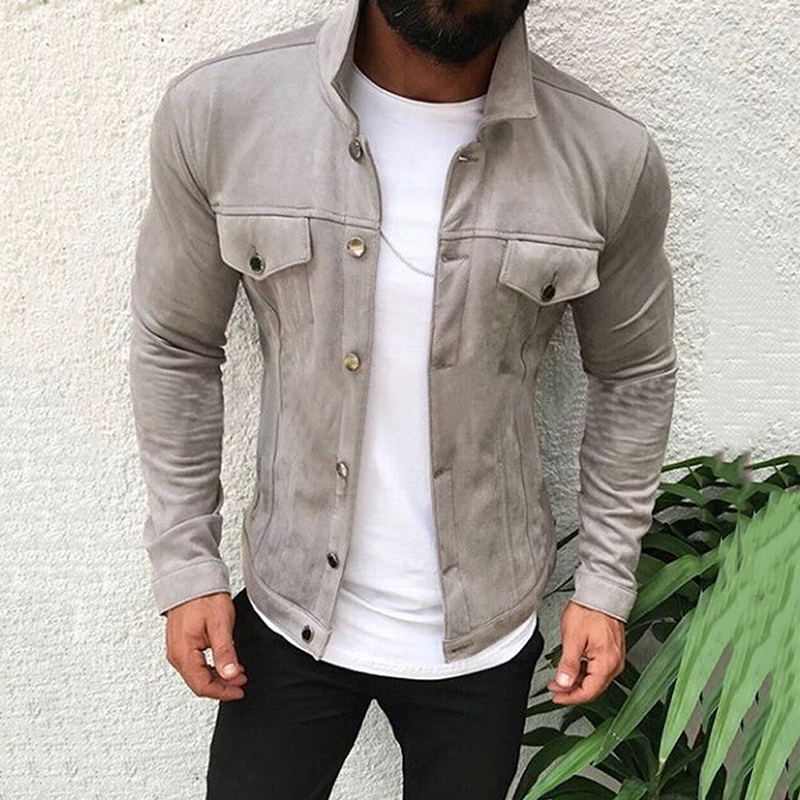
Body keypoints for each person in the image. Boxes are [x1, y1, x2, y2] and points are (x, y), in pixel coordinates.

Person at [128, 0, 678, 797]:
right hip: (287, 610)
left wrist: (605, 583)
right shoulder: (223, 113)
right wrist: (187, 564)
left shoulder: (606, 155)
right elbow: (175, 345)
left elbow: (634, 373)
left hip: (486, 634)